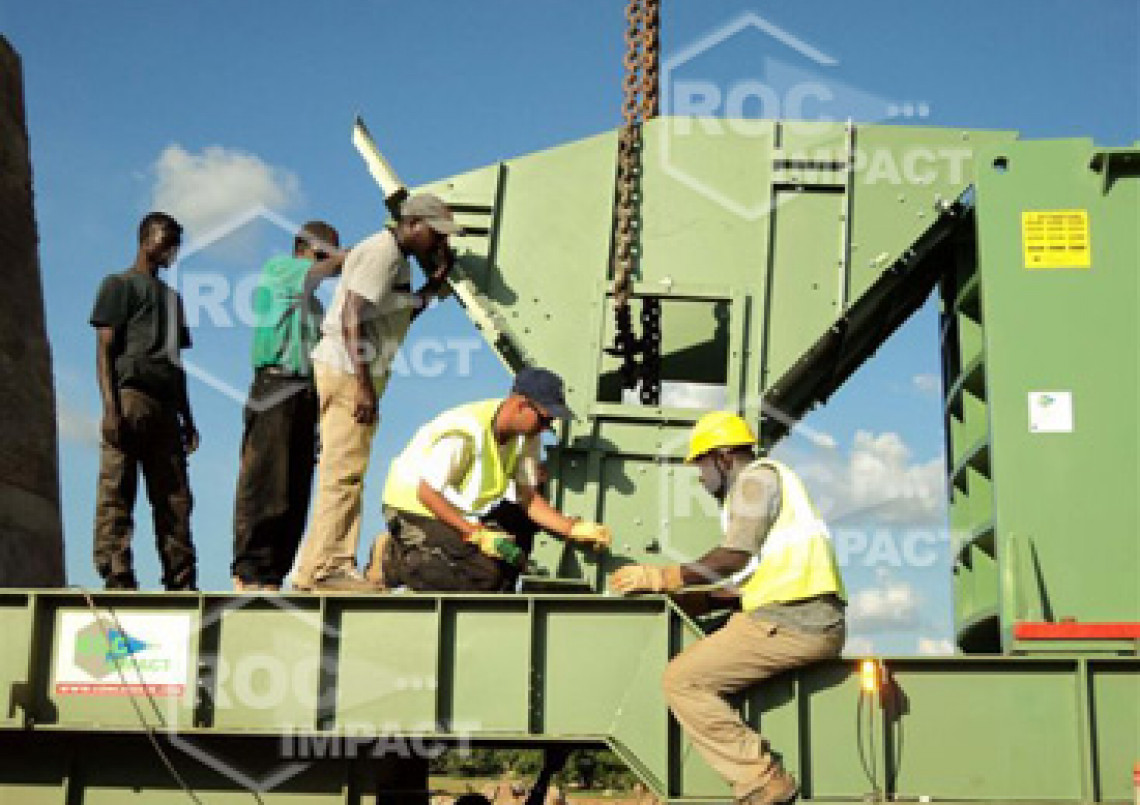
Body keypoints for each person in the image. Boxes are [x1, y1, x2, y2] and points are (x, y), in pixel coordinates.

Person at [609, 411, 847, 805]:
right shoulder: (774, 483)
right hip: (807, 617)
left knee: (682, 680)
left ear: (722, 457)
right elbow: (747, 581)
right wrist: (694, 600)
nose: (701, 480)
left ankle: (762, 781)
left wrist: (663, 577)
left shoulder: (755, 479)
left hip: (791, 622)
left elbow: (733, 557)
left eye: (701, 466)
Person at [292, 193, 458, 592]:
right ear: (414, 224)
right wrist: (363, 386)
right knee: (343, 475)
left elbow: (390, 313)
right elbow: (351, 315)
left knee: (340, 472)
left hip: (350, 370)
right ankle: (329, 569)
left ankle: (309, 572)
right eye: (437, 234)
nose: (441, 243)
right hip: (350, 372)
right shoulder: (383, 254)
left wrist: (431, 289)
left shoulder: (394, 260)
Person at [379, 368, 612, 592]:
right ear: (521, 405)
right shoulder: (466, 432)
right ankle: (393, 559)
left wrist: (572, 528)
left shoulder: (526, 437)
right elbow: (427, 493)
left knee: (509, 548)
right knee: (483, 577)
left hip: (450, 510)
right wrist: (474, 533)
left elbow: (528, 499)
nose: (545, 428)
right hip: (412, 508)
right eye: (544, 420)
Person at [231, 221, 346, 591]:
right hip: (276, 385)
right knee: (266, 481)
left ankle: (273, 575)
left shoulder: (314, 306)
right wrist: (362, 256)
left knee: (295, 487)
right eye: (326, 249)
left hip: (305, 394)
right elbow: (326, 269)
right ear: (305, 246)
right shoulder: (279, 270)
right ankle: (248, 572)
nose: (331, 256)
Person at [89, 212, 198, 591]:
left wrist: (188, 417)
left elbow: (176, 363)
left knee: (175, 498)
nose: (171, 249)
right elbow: (104, 349)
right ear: (144, 238)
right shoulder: (118, 285)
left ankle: (180, 578)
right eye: (165, 239)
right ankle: (117, 572)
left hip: (166, 406)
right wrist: (110, 408)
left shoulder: (173, 299)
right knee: (118, 489)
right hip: (130, 397)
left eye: (175, 243)